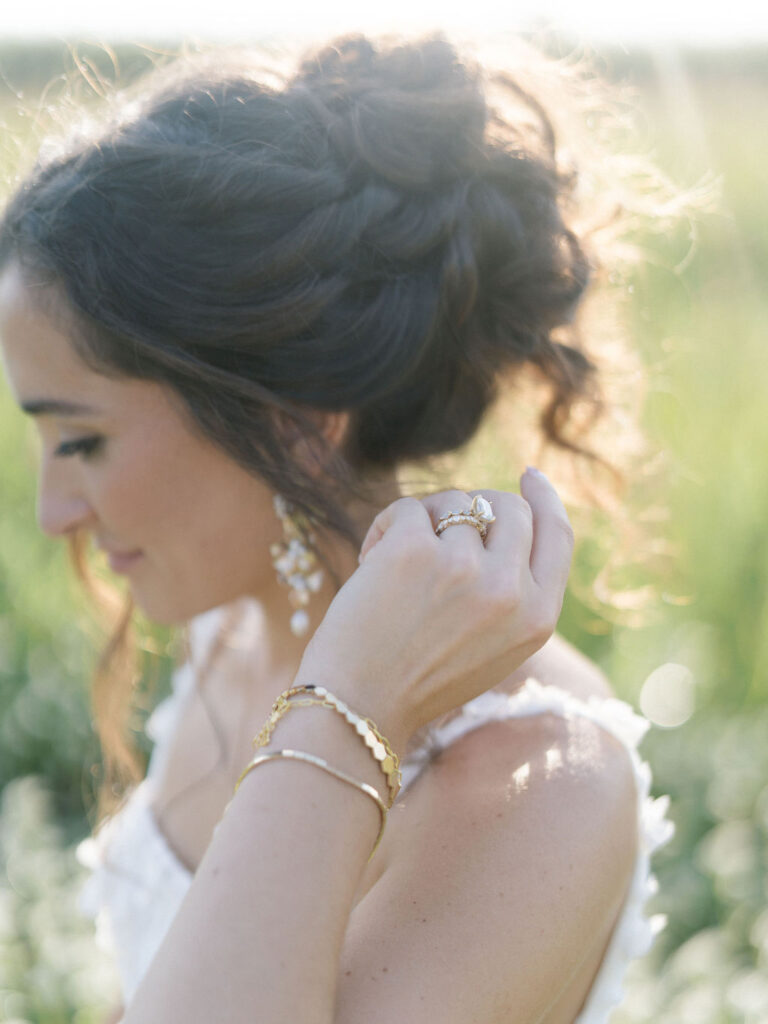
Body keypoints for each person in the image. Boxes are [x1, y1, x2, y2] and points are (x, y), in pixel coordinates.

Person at [0, 34, 673, 1023]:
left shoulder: (539, 777)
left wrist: (345, 703)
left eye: (84, 441)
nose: (56, 509)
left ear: (298, 416)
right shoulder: (222, 647)